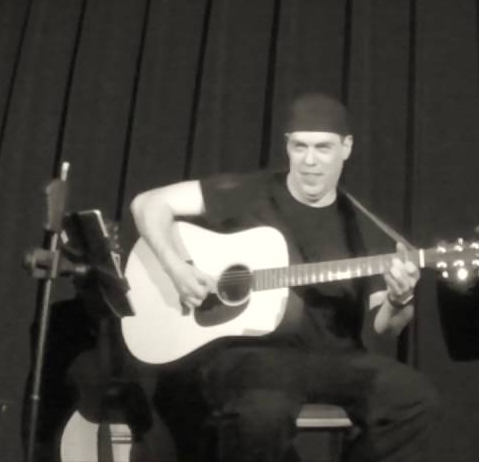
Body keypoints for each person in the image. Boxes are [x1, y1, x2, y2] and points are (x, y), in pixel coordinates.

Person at [131, 93, 438, 462]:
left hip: (333, 360)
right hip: (250, 359)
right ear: (287, 146)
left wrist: (399, 299)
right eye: (299, 147)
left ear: (346, 148)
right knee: (263, 414)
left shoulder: (364, 228)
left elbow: (383, 328)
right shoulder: (249, 192)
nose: (309, 161)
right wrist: (177, 266)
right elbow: (147, 204)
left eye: (323, 148)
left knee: (416, 401)